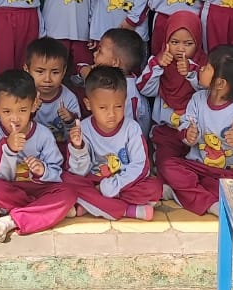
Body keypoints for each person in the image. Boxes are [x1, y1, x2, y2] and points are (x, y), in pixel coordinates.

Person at [158, 44, 233, 216]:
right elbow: (185, 124)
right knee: (168, 166)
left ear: (220, 83)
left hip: (228, 172)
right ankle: (210, 202)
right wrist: (188, 135)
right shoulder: (197, 99)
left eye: (206, 67)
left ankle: (191, 194)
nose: (201, 69)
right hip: (198, 166)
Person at [0, 69, 77, 242]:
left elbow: (56, 171)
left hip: (38, 188)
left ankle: (12, 220)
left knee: (68, 193)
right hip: (10, 188)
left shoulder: (43, 134)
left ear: (34, 105)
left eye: (22, 110)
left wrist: (42, 170)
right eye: (7, 111)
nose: (15, 118)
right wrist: (9, 149)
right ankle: (45, 210)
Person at [63, 66, 162, 221]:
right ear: (88, 104)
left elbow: (141, 167)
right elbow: (79, 171)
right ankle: (128, 210)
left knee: (154, 187)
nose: (111, 114)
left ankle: (92, 205)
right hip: (94, 181)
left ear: (125, 100)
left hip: (122, 182)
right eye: (103, 107)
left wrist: (109, 187)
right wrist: (78, 148)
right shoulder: (83, 129)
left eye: (118, 106)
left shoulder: (131, 128)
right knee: (67, 181)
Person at [138, 10, 205, 165]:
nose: (181, 49)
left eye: (188, 44)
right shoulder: (159, 63)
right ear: (166, 41)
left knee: (195, 164)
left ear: (198, 42)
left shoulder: (203, 66)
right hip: (166, 131)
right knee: (166, 164)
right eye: (174, 42)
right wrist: (158, 65)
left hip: (195, 132)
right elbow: (145, 89)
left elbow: (207, 94)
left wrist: (191, 72)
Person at [89, 28, 152, 137]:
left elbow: (125, 131)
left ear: (115, 63)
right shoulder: (127, 81)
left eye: (100, 51)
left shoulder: (125, 92)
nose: (94, 54)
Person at [25, 37, 80, 152]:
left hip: (61, 150)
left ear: (64, 71)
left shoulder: (69, 98)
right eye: (40, 72)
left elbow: (76, 135)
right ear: (27, 69)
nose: (47, 79)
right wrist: (30, 112)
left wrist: (70, 120)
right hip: (31, 150)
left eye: (55, 72)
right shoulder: (23, 96)